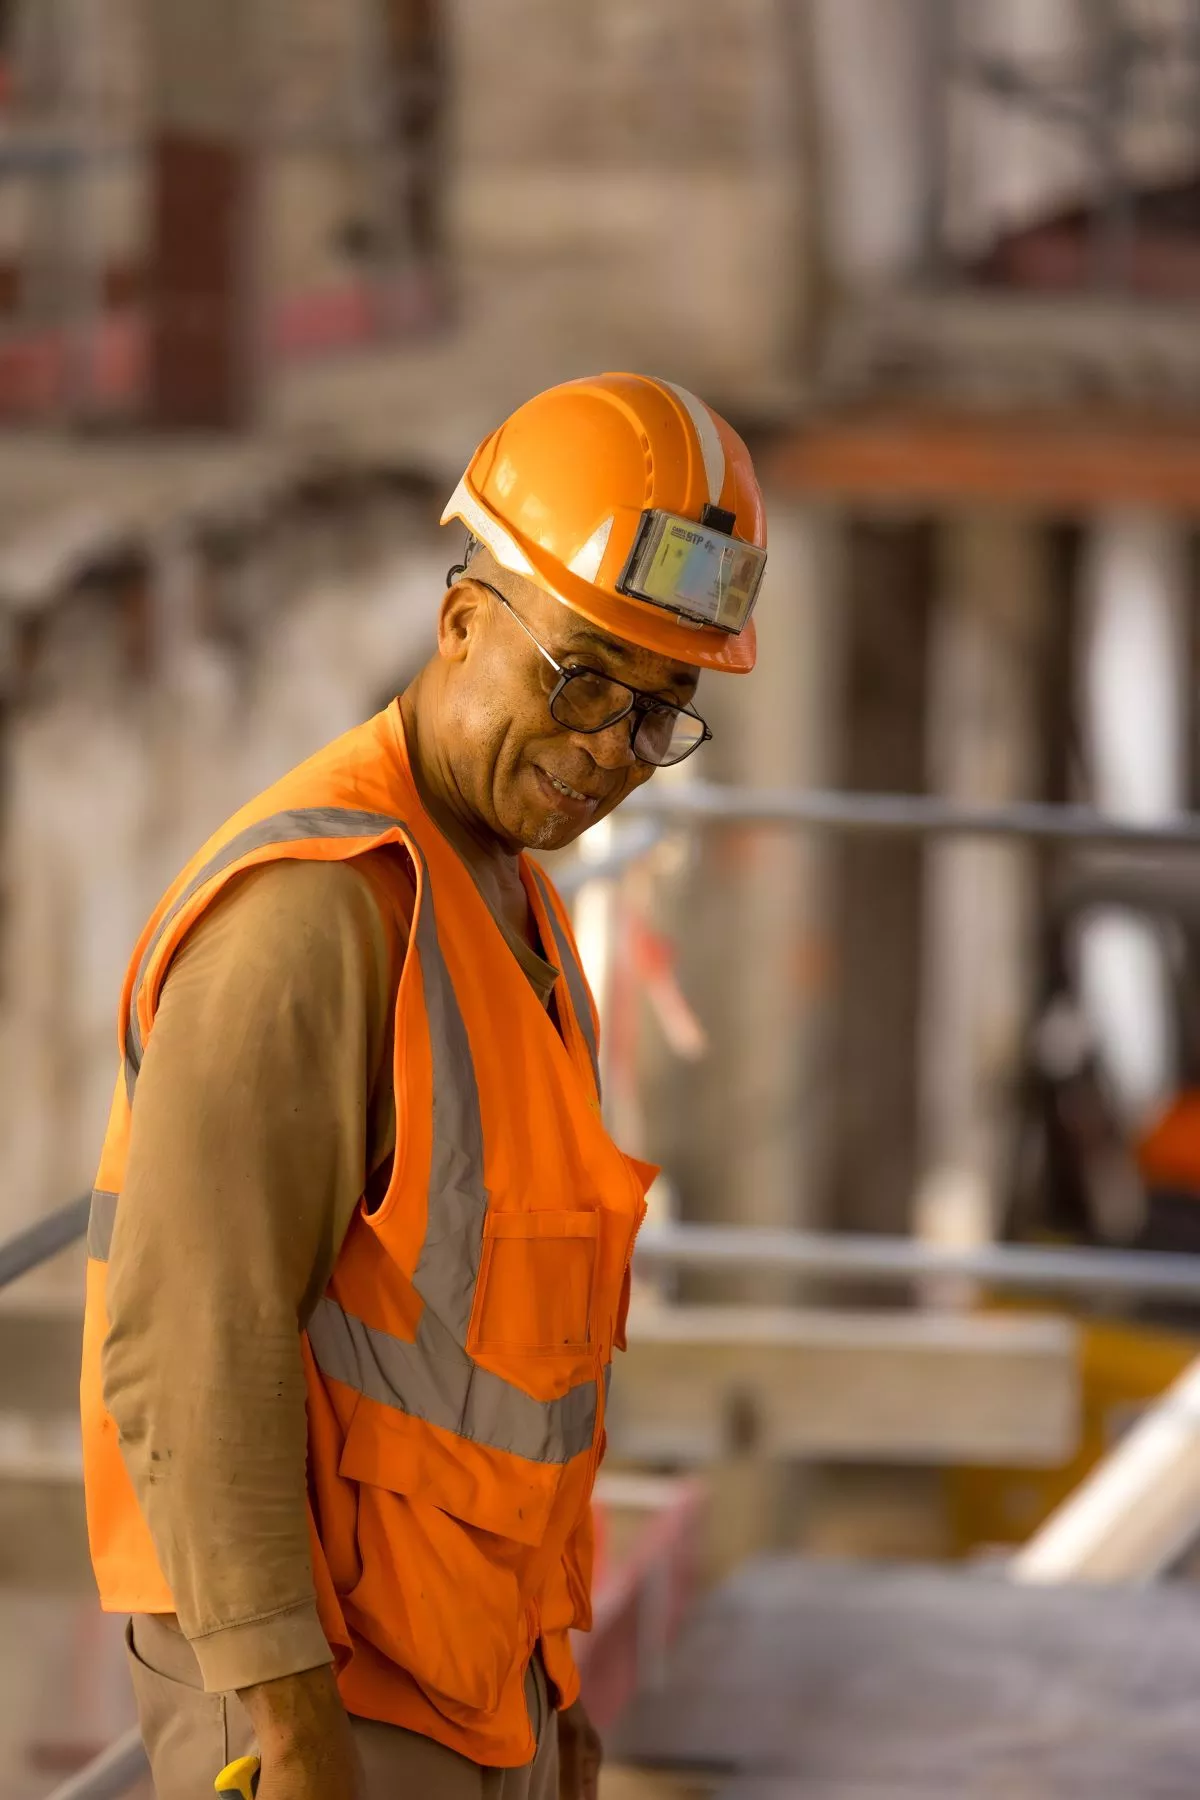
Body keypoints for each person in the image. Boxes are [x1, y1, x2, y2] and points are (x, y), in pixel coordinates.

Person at [80, 372, 768, 1799]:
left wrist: (550, 1695)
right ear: (465, 624)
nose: (606, 752)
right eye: (578, 679)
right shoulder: (316, 917)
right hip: (324, 1705)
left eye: (656, 714)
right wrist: (294, 1741)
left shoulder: (513, 906)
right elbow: (191, 1352)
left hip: (468, 1687)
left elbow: (505, 1366)